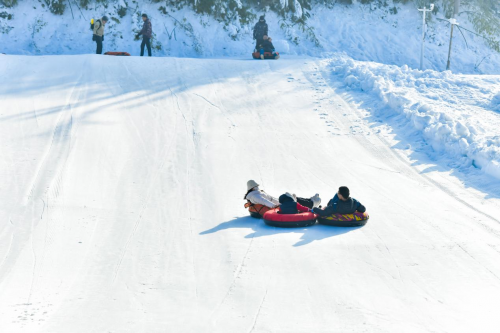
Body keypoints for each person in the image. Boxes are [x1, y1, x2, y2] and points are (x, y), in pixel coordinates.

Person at [244, 180, 321, 215]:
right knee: (292, 201)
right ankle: (312, 204)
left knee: (292, 197)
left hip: (277, 203)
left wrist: (278, 201)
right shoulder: (254, 196)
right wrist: (275, 205)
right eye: (256, 186)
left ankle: (310, 200)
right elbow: (264, 201)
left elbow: (270, 198)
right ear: (252, 187)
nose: (257, 187)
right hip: (274, 206)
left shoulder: (257, 193)